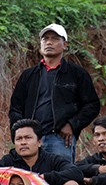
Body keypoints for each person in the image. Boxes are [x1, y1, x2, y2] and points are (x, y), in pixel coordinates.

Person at [9, 23, 100, 162]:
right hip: (30, 137)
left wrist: (72, 124)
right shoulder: (29, 75)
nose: (49, 42)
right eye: (45, 39)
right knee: (29, 180)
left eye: (55, 39)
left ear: (65, 44)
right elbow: (15, 106)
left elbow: (92, 105)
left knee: (59, 179)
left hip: (59, 139)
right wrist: (20, 131)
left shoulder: (76, 73)